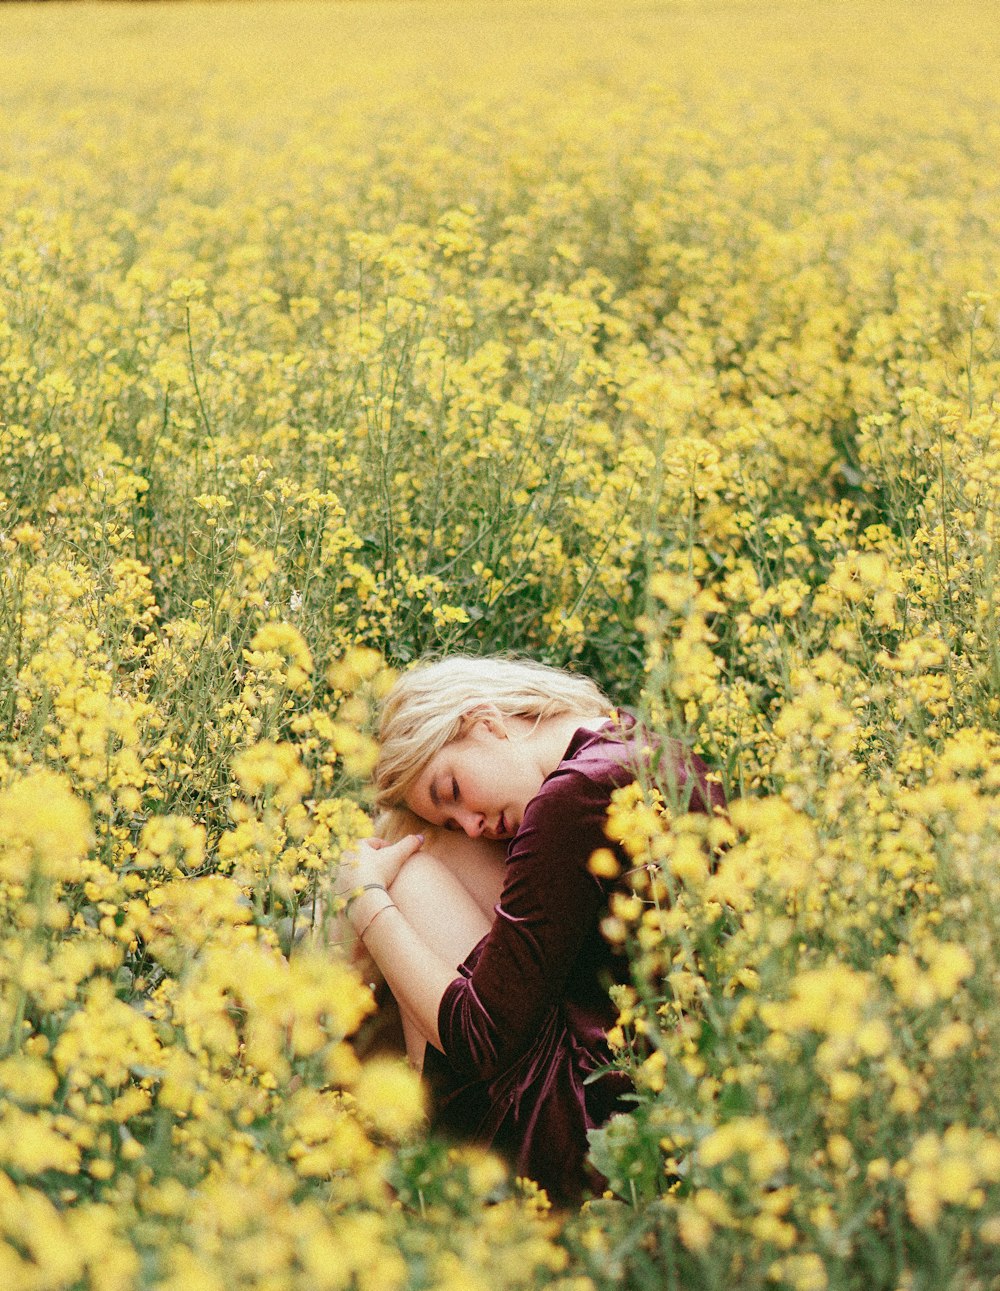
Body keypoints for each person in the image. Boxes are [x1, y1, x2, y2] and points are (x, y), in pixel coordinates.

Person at [333, 655, 725, 1204]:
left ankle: (413, 1154)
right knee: (418, 840)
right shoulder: (629, 742)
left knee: (406, 870)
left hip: (585, 1134)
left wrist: (366, 904)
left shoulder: (570, 801)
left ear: (485, 722)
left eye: (452, 790)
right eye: (454, 815)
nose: (472, 822)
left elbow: (479, 1038)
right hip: (666, 1090)